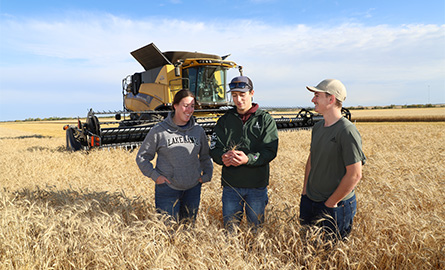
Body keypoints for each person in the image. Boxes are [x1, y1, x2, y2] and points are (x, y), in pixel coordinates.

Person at [299, 79, 366, 240]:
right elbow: (312, 159)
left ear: (331, 99)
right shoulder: (317, 128)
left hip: (337, 205)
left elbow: (355, 175)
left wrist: (331, 203)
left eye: (317, 95)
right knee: (309, 249)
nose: (313, 100)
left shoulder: (347, 131)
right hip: (311, 199)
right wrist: (305, 192)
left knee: (332, 255)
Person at [210, 76, 279, 230]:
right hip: (231, 187)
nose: (238, 99)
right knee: (230, 231)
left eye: (242, 94)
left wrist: (248, 159)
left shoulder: (265, 120)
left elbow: (270, 151)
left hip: (257, 186)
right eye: (234, 95)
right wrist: (222, 157)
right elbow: (214, 148)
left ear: (251, 93)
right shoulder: (224, 121)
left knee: (256, 231)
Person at [136, 89, 213, 222]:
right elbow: (142, 157)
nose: (189, 110)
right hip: (167, 190)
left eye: (192, 106)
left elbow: (205, 156)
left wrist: (207, 175)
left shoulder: (198, 131)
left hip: (193, 190)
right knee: (167, 231)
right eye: (185, 105)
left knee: (188, 230)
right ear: (175, 105)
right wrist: (156, 176)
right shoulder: (159, 130)